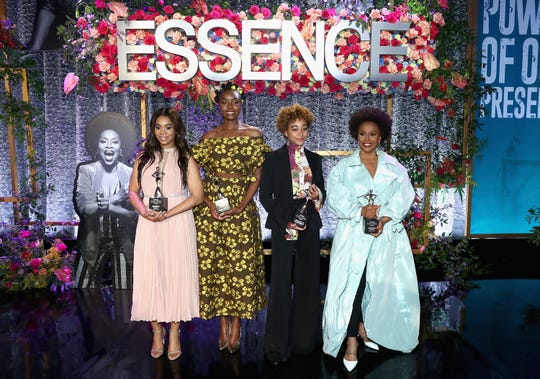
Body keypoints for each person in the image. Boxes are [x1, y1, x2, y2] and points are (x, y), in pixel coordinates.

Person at [321, 106, 420, 372]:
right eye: (363, 134)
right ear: (356, 135)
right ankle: (351, 344)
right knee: (353, 287)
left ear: (381, 137)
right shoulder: (343, 168)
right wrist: (359, 211)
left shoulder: (393, 166)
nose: (367, 139)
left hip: (386, 237)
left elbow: (405, 195)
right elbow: (336, 198)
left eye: (373, 134)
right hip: (353, 237)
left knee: (378, 288)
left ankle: (369, 329)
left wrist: (385, 217)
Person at [191, 81, 271, 354]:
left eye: (235, 102)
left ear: (241, 104)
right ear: (218, 105)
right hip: (211, 209)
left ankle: (237, 323)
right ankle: (222, 322)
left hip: (242, 209)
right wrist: (209, 202)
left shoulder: (254, 135)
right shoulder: (208, 137)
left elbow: (258, 176)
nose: (230, 107)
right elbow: (191, 173)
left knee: (241, 267)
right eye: (224, 102)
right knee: (216, 266)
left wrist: (241, 205)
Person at [128, 107, 204, 360]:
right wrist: (144, 211)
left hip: (177, 221)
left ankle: (174, 331)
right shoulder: (143, 158)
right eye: (158, 127)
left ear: (176, 129)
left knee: (175, 274)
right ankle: (156, 330)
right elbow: (133, 191)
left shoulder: (185, 157)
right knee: (152, 274)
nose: (163, 132)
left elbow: (197, 196)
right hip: (149, 224)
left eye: (168, 127)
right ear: (153, 129)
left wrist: (168, 213)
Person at [259, 104, 326, 364]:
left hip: (310, 225)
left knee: (309, 283)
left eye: (304, 128)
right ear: (284, 131)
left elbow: (323, 193)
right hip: (283, 225)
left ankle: (305, 343)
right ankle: (277, 346)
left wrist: (317, 193)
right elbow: (266, 196)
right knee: (280, 283)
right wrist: (286, 222)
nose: (300, 133)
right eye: (294, 129)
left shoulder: (316, 159)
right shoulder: (272, 159)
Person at [73, 112, 138, 289]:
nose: (109, 146)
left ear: (121, 146)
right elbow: (85, 209)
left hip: (125, 242)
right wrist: (116, 199)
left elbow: (135, 215)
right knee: (82, 292)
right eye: (104, 141)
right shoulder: (85, 170)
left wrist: (104, 205)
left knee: (125, 299)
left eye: (114, 142)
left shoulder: (131, 172)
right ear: (97, 145)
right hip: (92, 240)